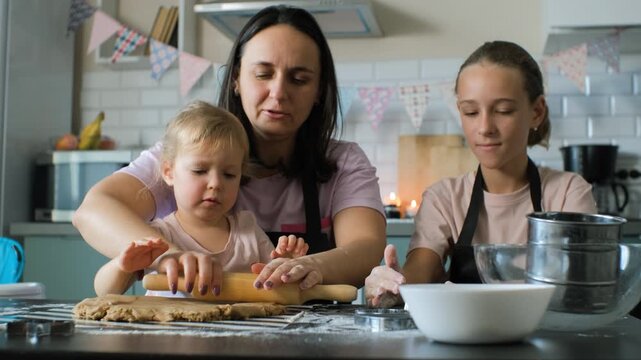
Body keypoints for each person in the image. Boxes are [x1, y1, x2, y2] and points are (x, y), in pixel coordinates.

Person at [73, 5, 386, 294]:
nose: (278, 92)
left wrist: (307, 265)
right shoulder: (191, 151)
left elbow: (366, 249)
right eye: (263, 74)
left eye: (299, 79)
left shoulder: (344, 162)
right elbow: (94, 210)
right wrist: (170, 256)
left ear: (319, 91)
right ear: (236, 78)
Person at [364, 41, 597, 308]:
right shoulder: (444, 198)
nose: (485, 127)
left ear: (536, 112)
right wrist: (393, 285)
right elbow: (420, 273)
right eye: (471, 112)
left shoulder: (568, 193)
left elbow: (580, 292)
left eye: (503, 111)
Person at [93, 101, 308, 297]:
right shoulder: (159, 237)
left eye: (229, 174)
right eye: (199, 170)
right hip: (168, 338)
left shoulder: (248, 231)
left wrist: (286, 264)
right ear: (168, 172)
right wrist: (122, 266)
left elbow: (279, 289)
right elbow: (106, 290)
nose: (216, 183)